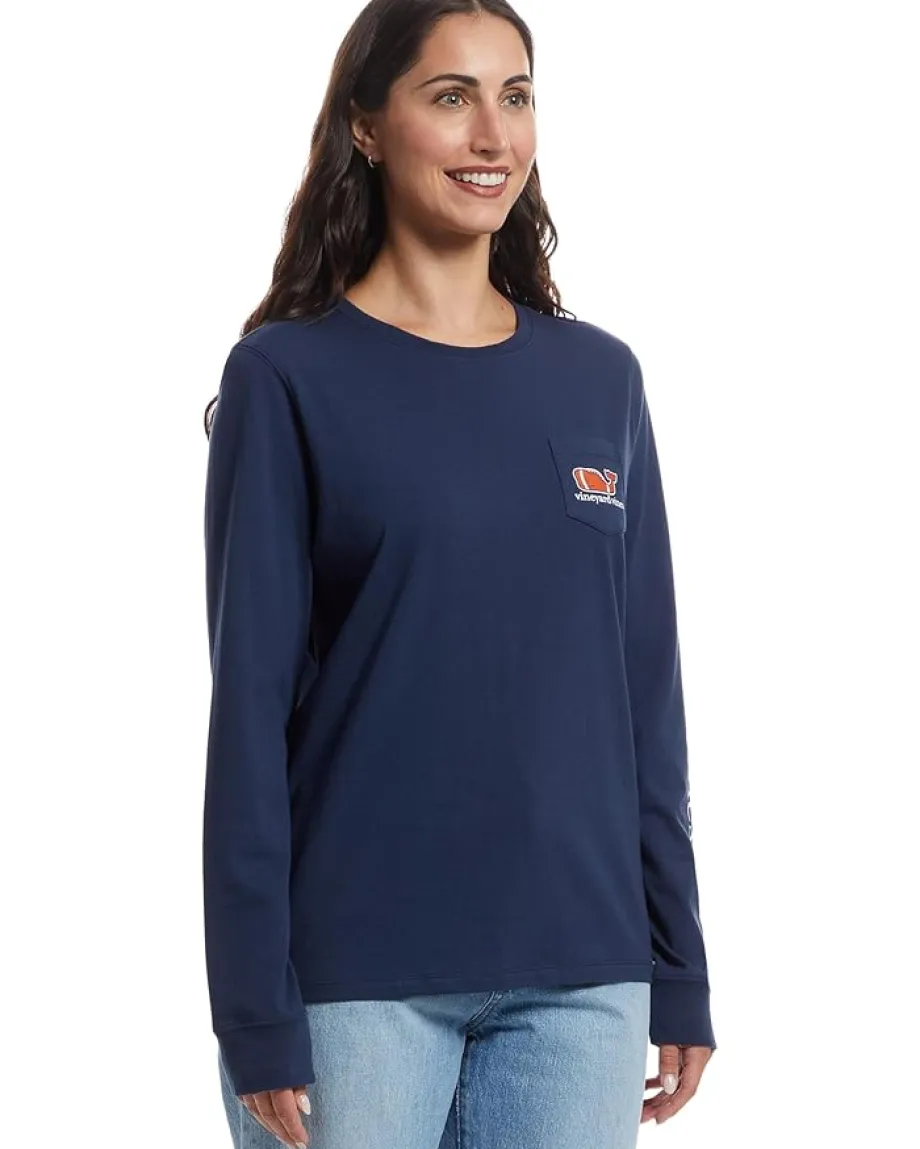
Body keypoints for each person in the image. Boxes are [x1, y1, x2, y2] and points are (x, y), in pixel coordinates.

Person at [201, 1, 716, 1146]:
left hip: (582, 979)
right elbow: (247, 718)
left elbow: (644, 698)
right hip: (355, 979)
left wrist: (675, 964)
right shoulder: (286, 379)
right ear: (366, 127)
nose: (493, 134)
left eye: (514, 96)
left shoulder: (599, 380)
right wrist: (251, 1007)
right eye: (451, 97)